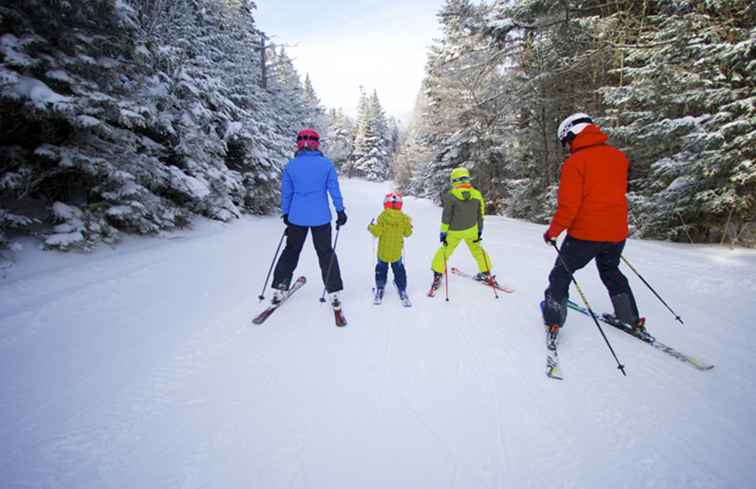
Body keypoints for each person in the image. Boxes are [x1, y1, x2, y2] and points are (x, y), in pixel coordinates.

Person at [542, 112, 644, 344]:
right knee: (611, 271)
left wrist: (553, 232)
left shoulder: (575, 163)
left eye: (566, 141)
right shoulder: (619, 157)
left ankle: (553, 319)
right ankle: (629, 318)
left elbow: (569, 206)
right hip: (616, 233)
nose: (567, 147)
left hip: (585, 235)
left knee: (561, 274)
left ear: (572, 134)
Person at [270, 128, 347, 310]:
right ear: (316, 144)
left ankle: (279, 287)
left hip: (297, 217)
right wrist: (340, 211)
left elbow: (286, 193)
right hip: (320, 218)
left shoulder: (291, 165)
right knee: (326, 253)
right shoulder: (326, 165)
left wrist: (286, 213)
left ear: (298, 144)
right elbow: (334, 190)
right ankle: (334, 291)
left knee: (291, 250)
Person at [429, 167, 494, 293]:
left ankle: (437, 274)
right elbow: (480, 214)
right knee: (478, 250)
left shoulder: (451, 195)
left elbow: (446, 217)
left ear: (454, 180)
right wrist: (480, 229)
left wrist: (443, 232)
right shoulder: (476, 194)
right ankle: (486, 273)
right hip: (472, 229)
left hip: (454, 231)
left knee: (445, 251)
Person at [368, 192, 413, 304]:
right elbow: (408, 233)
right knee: (399, 270)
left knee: (381, 269)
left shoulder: (383, 217)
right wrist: (409, 225)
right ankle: (401, 288)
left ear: (386, 204)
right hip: (396, 253)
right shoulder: (403, 219)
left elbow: (376, 232)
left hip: (383, 252)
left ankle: (380, 287)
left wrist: (370, 227)